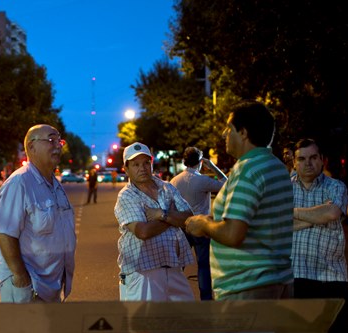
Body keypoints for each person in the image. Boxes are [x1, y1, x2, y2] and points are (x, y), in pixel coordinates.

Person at [185, 101, 294, 300]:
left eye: (229, 128)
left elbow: (233, 234)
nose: (224, 134)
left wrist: (203, 224)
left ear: (243, 133)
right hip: (279, 282)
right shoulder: (276, 166)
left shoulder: (247, 170)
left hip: (248, 287)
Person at [290, 138, 348, 333]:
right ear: (294, 162)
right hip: (296, 273)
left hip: (332, 274)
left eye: (313, 158)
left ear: (322, 159)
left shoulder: (335, 186)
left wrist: (294, 214)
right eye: (302, 159)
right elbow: (277, 224)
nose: (308, 163)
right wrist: (313, 217)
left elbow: (331, 212)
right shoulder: (284, 188)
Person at [0, 124, 76, 303]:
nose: (58, 146)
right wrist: (21, 278)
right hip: (30, 287)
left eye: (59, 141)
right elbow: (4, 232)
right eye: (51, 140)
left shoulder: (55, 185)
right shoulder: (19, 182)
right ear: (31, 147)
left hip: (51, 285)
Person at [115, 142, 195, 301]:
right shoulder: (126, 196)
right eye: (135, 164)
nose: (142, 168)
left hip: (173, 266)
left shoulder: (167, 187)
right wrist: (172, 217)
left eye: (146, 163)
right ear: (126, 169)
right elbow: (143, 231)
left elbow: (188, 218)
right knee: (146, 324)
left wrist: (161, 214)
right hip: (143, 273)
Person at [170, 146, 227, 300]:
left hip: (182, 227)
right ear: (200, 162)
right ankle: (206, 299)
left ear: (184, 161)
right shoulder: (202, 180)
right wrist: (213, 167)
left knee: (178, 265)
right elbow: (226, 184)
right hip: (201, 227)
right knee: (203, 265)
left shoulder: (174, 181)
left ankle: (174, 295)